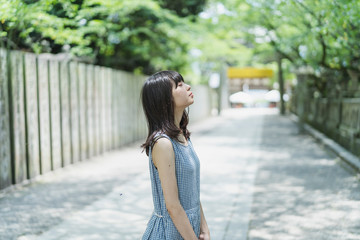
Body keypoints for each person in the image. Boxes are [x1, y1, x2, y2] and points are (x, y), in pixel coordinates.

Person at [140, 70, 210, 240]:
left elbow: (192, 190)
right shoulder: (163, 143)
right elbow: (172, 205)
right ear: (165, 99)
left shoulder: (182, 135)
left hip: (186, 228)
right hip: (169, 232)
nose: (188, 86)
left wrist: (204, 228)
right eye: (179, 85)